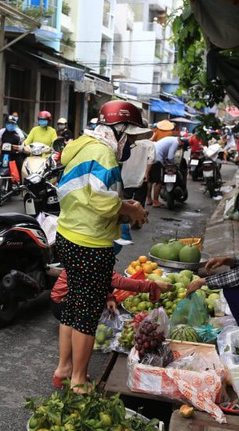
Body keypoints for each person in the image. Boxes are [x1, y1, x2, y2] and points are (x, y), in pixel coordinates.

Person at [55, 100, 151, 393]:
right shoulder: (104, 154)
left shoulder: (83, 144)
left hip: (68, 234)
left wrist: (125, 206)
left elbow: (89, 193)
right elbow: (101, 201)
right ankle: (79, 380)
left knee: (73, 304)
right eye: (130, 138)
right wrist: (131, 210)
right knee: (87, 310)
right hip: (90, 241)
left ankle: (64, 368)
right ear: (118, 129)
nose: (130, 145)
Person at [51, 268, 171, 388]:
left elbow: (92, 278)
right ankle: (78, 380)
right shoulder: (95, 253)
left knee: (71, 321)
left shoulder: (79, 254)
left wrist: (108, 297)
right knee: (85, 324)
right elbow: (116, 280)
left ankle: (64, 370)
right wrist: (151, 286)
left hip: (63, 300)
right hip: (66, 302)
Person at [121, 133, 155, 206]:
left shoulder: (126, 142)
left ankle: (126, 216)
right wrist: (146, 173)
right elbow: (151, 159)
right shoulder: (149, 144)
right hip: (141, 176)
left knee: (125, 201)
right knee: (139, 202)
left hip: (126, 176)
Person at [149, 135, 180, 208]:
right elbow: (170, 157)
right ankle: (155, 201)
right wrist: (174, 164)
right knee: (158, 181)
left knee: (150, 181)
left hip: (151, 156)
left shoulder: (170, 138)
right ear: (181, 142)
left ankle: (149, 199)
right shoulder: (175, 142)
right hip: (157, 159)